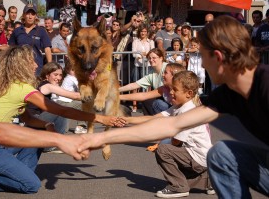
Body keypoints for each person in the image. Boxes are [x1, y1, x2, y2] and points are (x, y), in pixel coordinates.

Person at [78, 15, 269, 199]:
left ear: (218, 57)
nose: (201, 63)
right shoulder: (229, 93)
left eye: (202, 56)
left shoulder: (266, 87)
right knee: (221, 154)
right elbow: (173, 124)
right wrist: (100, 137)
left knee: (221, 153)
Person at [0, 45, 125, 193]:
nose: (36, 64)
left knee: (37, 137)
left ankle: (13, 172)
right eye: (31, 61)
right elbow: (61, 110)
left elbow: (28, 119)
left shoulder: (13, 86)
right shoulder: (22, 88)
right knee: (31, 185)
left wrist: (46, 124)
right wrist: (101, 118)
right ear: (21, 65)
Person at [122, 71, 213, 198]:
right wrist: (127, 120)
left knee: (164, 149)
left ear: (189, 94)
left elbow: (175, 141)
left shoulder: (187, 112)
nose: (171, 92)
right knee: (171, 154)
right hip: (200, 158)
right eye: (171, 89)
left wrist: (159, 141)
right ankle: (209, 180)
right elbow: (155, 118)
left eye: (175, 90)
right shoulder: (179, 107)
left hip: (197, 158)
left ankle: (178, 187)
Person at [119, 48, 169, 115]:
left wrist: (117, 97)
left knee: (157, 103)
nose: (151, 60)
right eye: (149, 58)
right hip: (164, 99)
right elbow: (134, 85)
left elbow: (145, 95)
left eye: (154, 58)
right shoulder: (152, 73)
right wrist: (117, 90)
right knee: (147, 101)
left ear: (161, 58)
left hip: (172, 103)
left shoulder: (167, 69)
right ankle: (150, 122)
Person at [8, 3, 52, 75]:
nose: (30, 16)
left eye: (33, 14)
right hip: (20, 69)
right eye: (28, 13)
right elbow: (11, 49)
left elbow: (47, 49)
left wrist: (50, 68)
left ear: (35, 16)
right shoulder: (17, 31)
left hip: (36, 70)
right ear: (24, 15)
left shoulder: (41, 31)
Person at [56, 62, 88, 134]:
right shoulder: (72, 78)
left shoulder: (67, 77)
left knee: (64, 127)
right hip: (65, 102)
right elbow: (81, 88)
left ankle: (61, 127)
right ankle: (81, 126)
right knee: (82, 105)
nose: (75, 72)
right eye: (73, 70)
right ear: (67, 70)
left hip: (63, 101)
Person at [131, 24, 155, 112]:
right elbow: (134, 53)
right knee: (135, 85)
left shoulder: (151, 42)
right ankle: (134, 105)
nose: (143, 33)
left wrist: (146, 55)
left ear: (147, 32)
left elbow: (153, 52)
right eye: (141, 31)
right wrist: (141, 55)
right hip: (138, 65)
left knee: (147, 85)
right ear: (139, 32)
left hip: (148, 65)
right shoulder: (135, 41)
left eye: (145, 31)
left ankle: (146, 104)